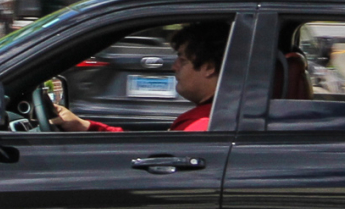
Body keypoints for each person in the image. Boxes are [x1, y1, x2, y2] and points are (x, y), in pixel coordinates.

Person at [52, 18, 227, 133]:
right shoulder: (216, 116)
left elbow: (155, 158)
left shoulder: (202, 125)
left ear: (209, 67)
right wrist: (84, 126)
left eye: (182, 60)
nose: (174, 67)